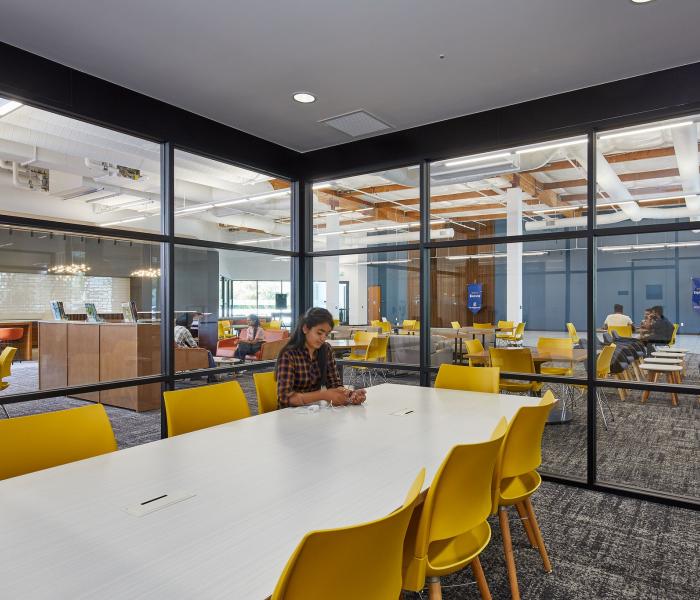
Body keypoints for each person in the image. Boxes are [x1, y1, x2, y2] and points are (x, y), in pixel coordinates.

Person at [275, 307, 366, 408]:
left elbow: (335, 385)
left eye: (326, 334)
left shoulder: (326, 350)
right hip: (289, 415)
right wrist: (323, 395)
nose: (323, 338)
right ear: (305, 328)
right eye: (319, 333)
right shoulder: (289, 355)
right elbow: (285, 399)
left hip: (314, 412)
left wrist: (350, 394)